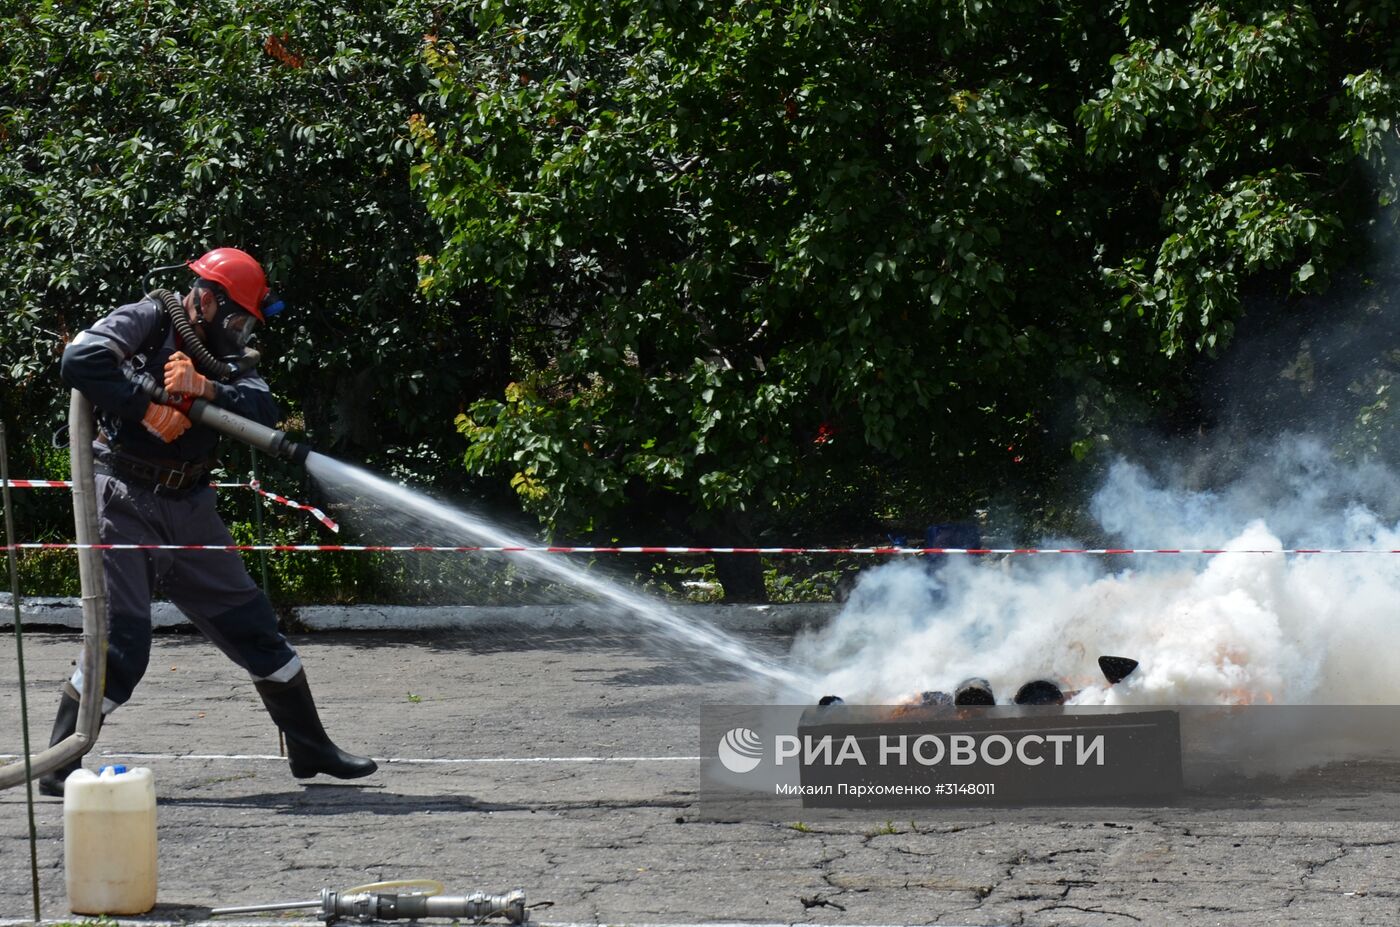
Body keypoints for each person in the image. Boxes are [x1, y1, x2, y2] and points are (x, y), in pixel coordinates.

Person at [38, 247, 376, 795]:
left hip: (190, 506)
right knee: (123, 646)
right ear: (206, 298)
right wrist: (144, 407)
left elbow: (264, 411)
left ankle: (312, 750)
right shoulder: (146, 319)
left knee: (254, 627)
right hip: (122, 497)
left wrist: (207, 388)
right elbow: (80, 361)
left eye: (248, 323)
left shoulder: (226, 360)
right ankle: (58, 761)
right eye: (236, 318)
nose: (241, 332)